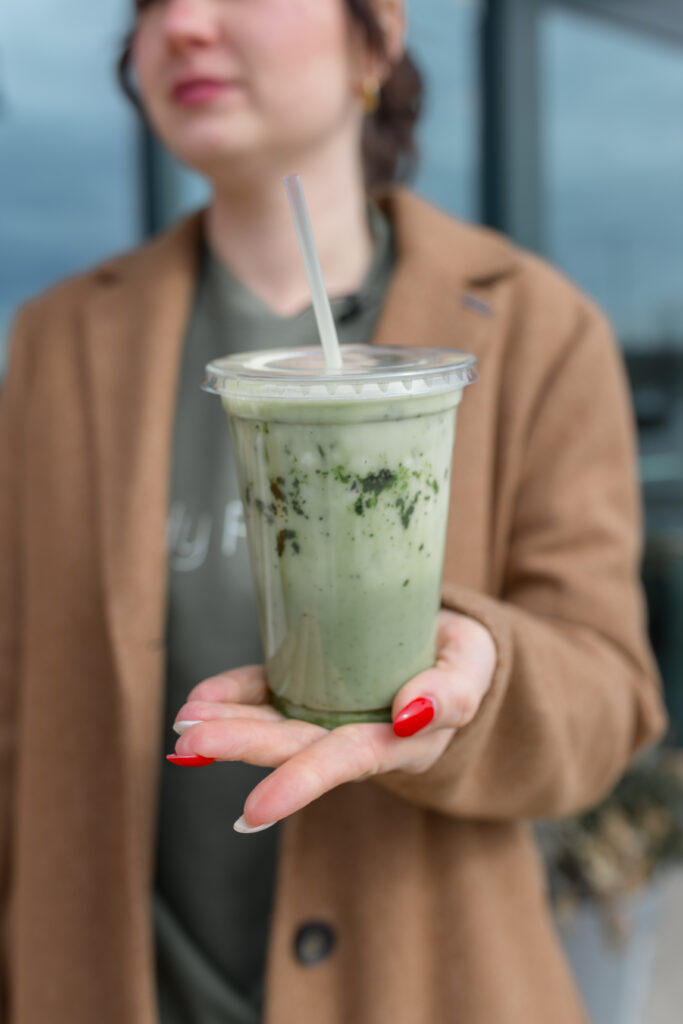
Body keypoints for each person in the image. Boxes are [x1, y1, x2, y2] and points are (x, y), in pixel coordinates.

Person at [0, 1, 668, 1022]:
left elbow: (610, 695)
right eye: (152, 1)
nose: (184, 25)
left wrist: (478, 680)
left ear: (376, 34)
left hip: (428, 990)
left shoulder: (535, 325)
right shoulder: (58, 341)